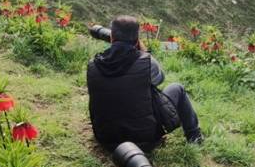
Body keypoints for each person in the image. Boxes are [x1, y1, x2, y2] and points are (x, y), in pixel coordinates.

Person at [87, 16, 202, 151]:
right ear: (137, 39)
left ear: (111, 37)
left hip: (105, 138)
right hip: (145, 140)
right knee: (177, 89)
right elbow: (159, 80)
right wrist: (144, 52)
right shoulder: (147, 62)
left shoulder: (93, 64)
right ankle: (195, 138)